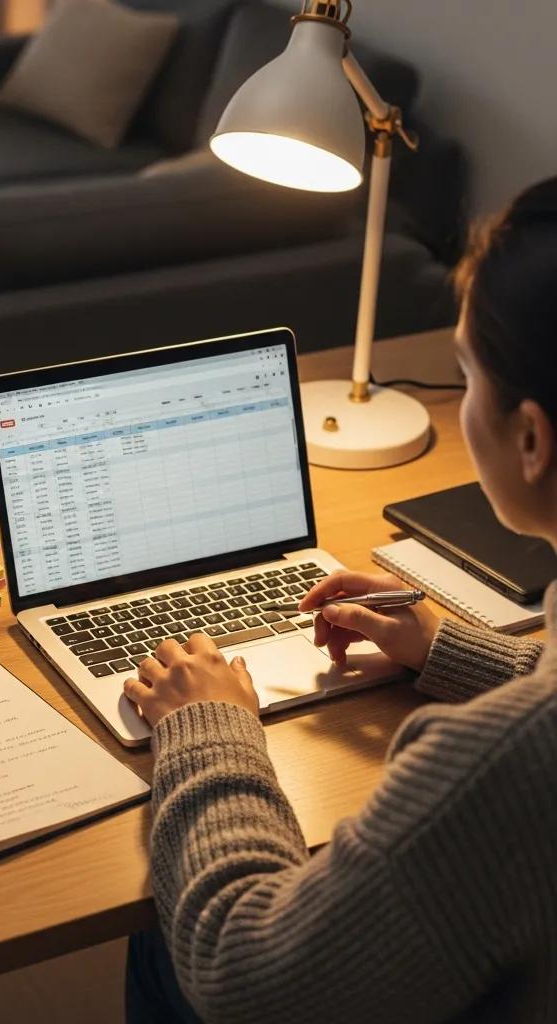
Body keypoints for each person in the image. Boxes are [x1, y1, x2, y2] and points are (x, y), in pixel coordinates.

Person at [123, 176, 557, 1024]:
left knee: (158, 924)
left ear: (532, 438)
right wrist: (452, 650)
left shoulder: (492, 768)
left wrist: (207, 726)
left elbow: (246, 972)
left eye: (464, 376)